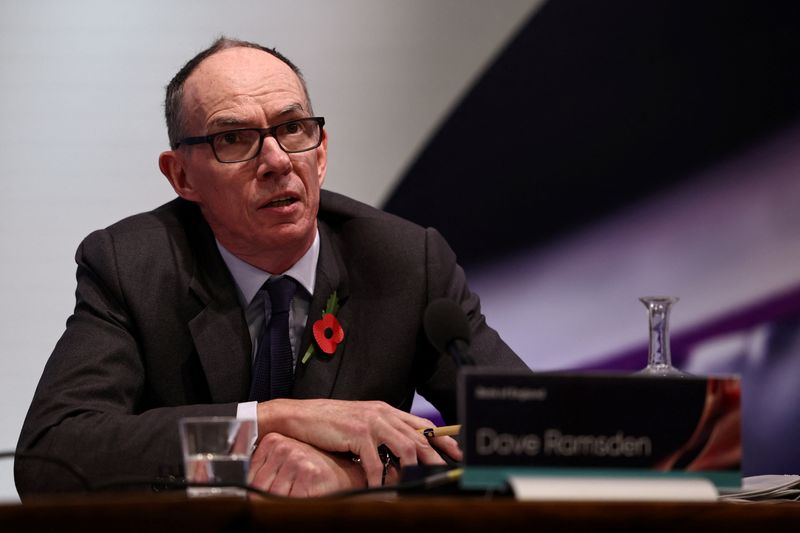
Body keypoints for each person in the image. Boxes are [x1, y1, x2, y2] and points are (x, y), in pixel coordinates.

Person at [15, 37, 527, 498]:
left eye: (293, 129)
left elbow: (534, 430)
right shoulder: (133, 266)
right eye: (234, 139)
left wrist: (355, 477)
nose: (277, 160)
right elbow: (53, 454)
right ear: (181, 176)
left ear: (320, 153)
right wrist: (269, 421)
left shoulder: (404, 262)